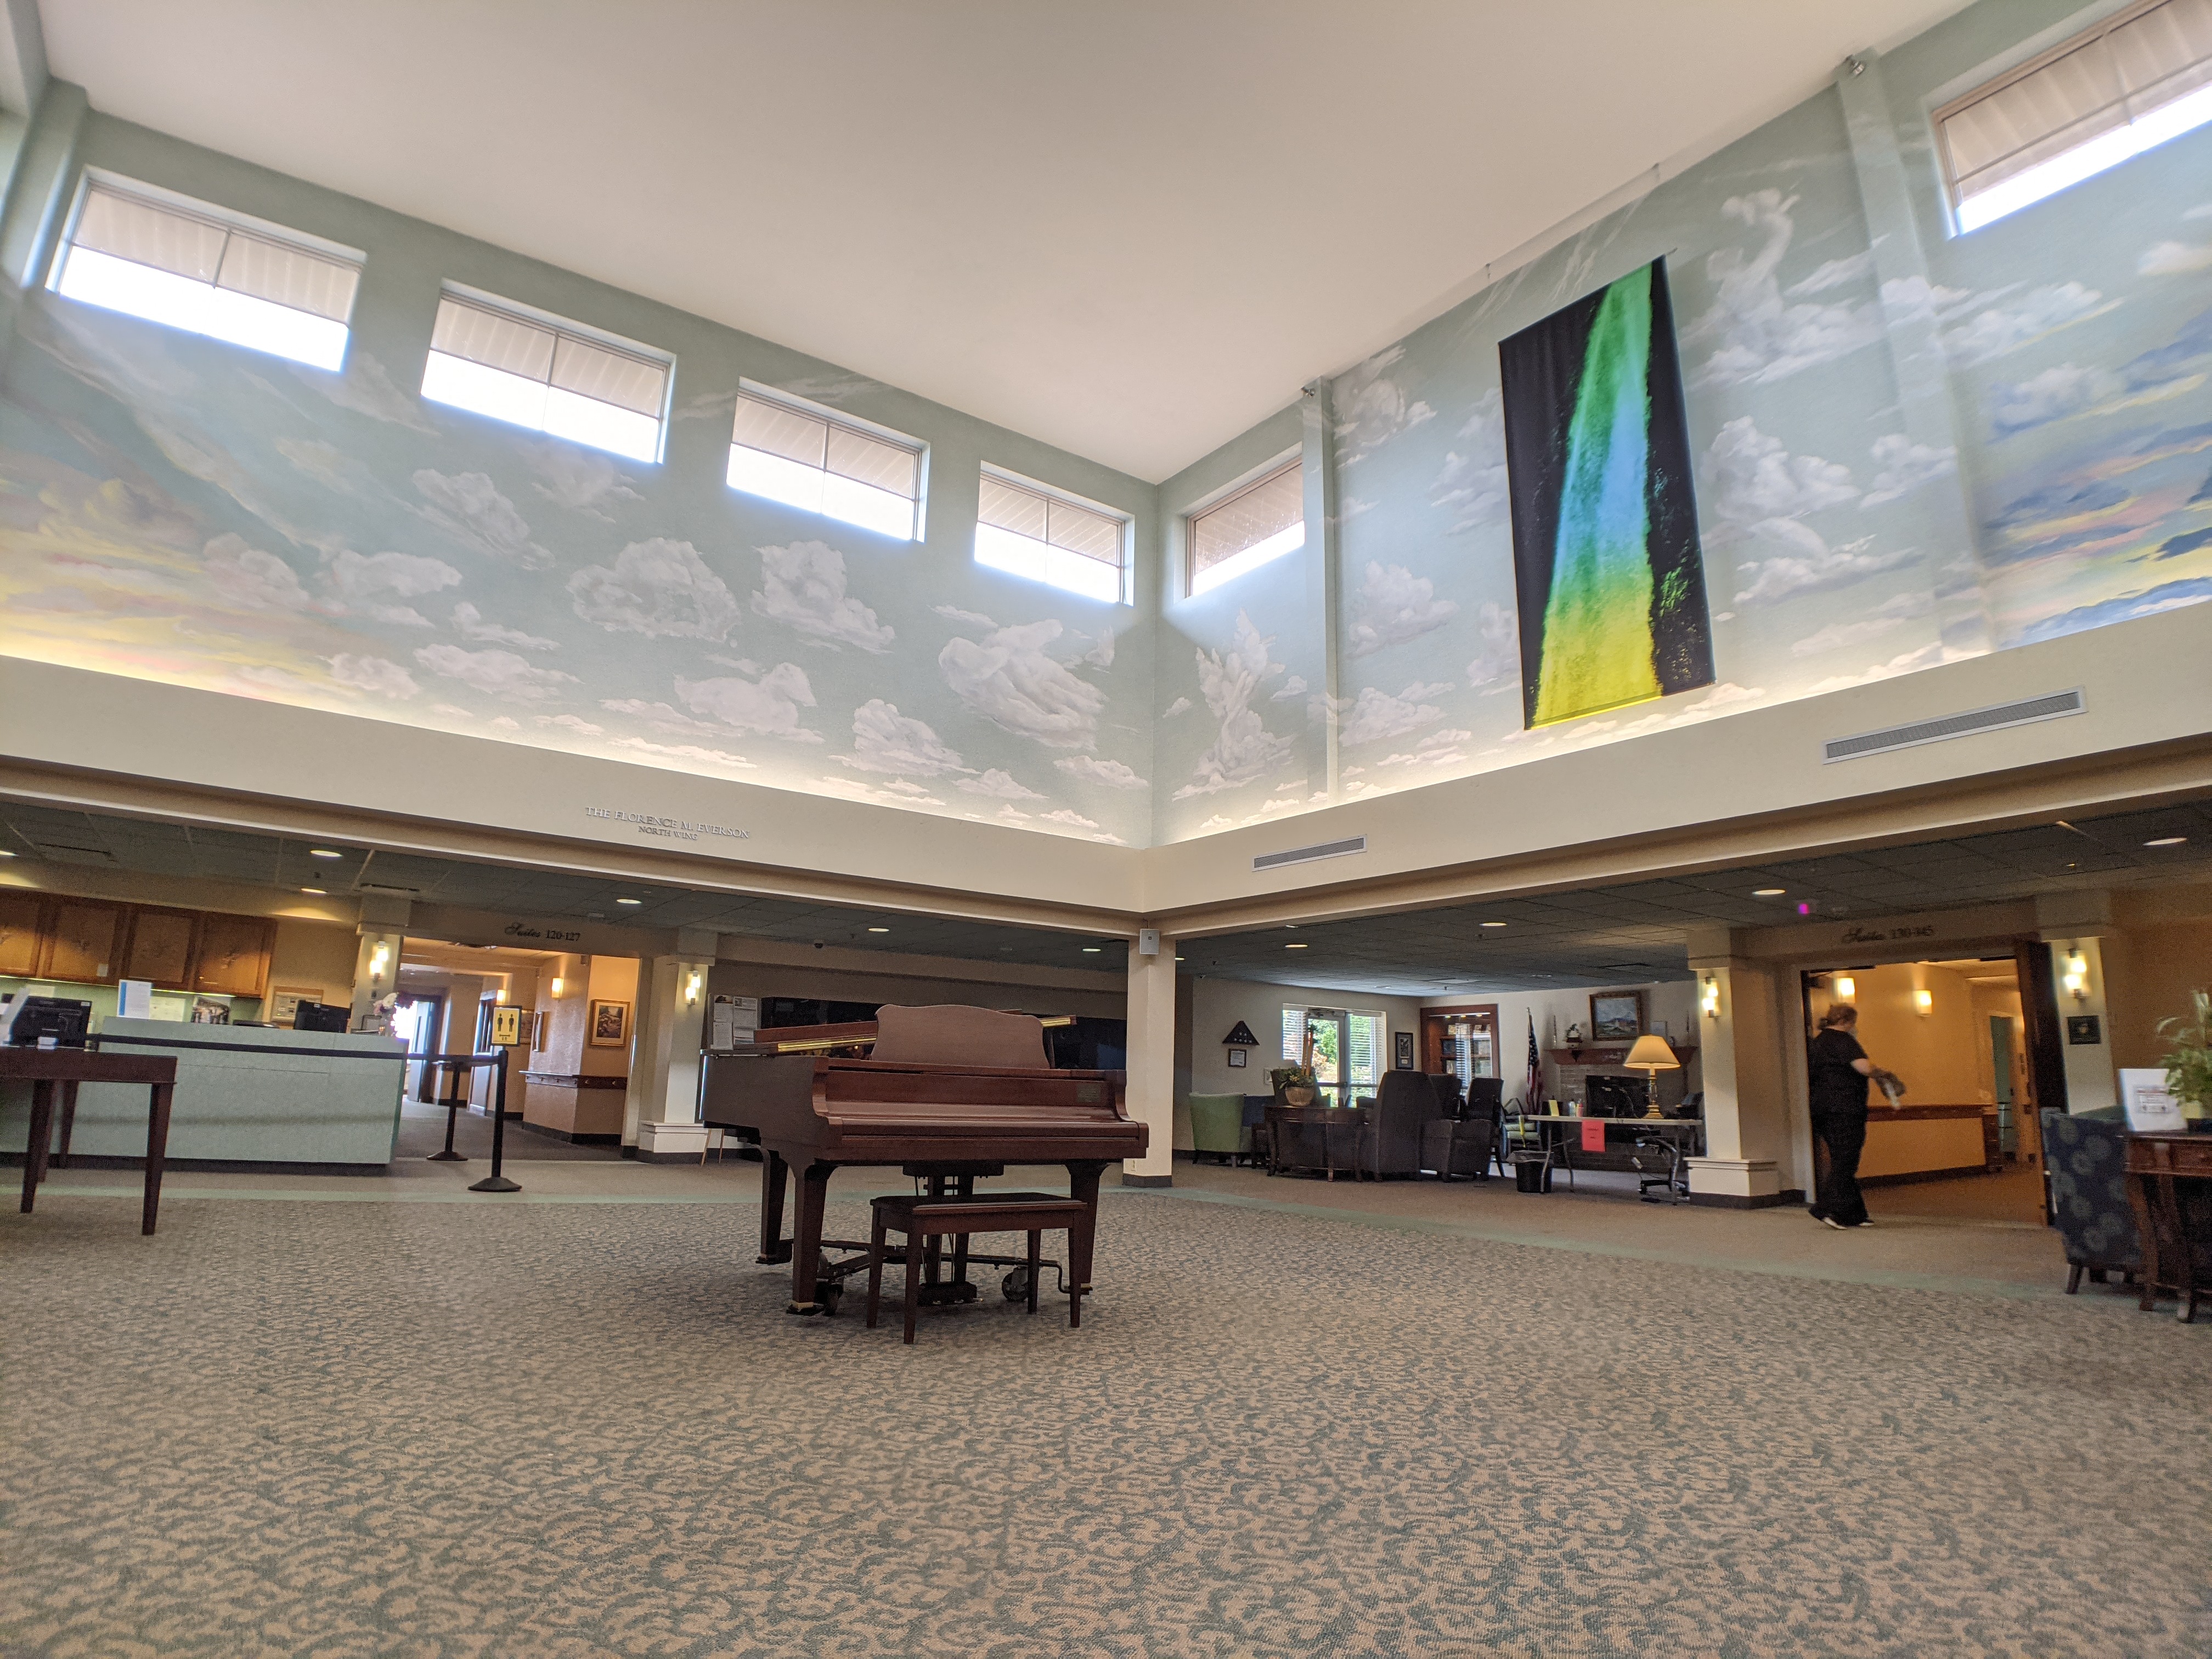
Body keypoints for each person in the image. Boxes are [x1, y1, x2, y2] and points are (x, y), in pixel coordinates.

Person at [1805, 1004, 1899, 1231]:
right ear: (1847, 1022)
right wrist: (1884, 1074)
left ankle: (1855, 1214)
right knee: (1847, 1160)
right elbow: (1864, 1068)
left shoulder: (1818, 1043)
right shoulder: (1844, 1041)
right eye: (1853, 1023)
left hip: (1822, 1109)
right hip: (1845, 1109)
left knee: (1841, 1158)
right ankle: (1824, 1208)